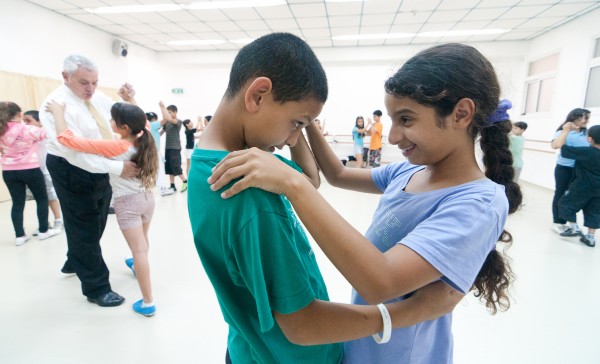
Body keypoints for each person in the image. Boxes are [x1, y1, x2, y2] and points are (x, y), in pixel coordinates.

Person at [208, 42, 522, 363]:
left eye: (407, 120)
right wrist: (301, 119)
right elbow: (338, 174)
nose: (394, 136)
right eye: (392, 120)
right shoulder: (408, 171)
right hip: (360, 346)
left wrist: (294, 185)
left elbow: (381, 282)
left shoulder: (478, 202)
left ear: (461, 114)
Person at [39, 54, 139, 307]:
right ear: (66, 76)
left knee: (98, 218)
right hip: (70, 168)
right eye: (84, 82)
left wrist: (127, 100)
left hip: (99, 165)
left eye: (95, 82)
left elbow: (116, 117)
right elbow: (74, 153)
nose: (91, 89)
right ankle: (96, 288)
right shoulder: (54, 105)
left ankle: (76, 258)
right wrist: (118, 168)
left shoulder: (96, 97)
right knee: (82, 224)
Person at [47, 100, 159, 315]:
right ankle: (137, 267)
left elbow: (66, 140)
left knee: (139, 251)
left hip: (129, 203)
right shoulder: (146, 137)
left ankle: (148, 302)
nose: (109, 122)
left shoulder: (117, 146)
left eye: (112, 120)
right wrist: (131, 98)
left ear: (124, 127)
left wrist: (58, 113)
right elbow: (143, 120)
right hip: (147, 199)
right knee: (142, 245)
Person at [0, 102, 61, 245]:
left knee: (17, 203)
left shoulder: (1, 130)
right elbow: (48, 134)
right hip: (30, 169)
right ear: (19, 114)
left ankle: (19, 236)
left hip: (9, 171)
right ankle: (43, 231)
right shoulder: (27, 129)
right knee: (41, 199)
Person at [554, 124, 600, 247]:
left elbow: (564, 150)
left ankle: (574, 228)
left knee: (565, 204)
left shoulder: (587, 152)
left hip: (582, 186)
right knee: (594, 212)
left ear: (590, 139)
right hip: (598, 190)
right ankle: (590, 238)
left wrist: (565, 131)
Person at [550, 108, 591, 234]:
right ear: (574, 117)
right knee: (560, 193)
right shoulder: (563, 131)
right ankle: (557, 222)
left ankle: (568, 220)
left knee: (572, 196)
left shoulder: (587, 133)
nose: (587, 120)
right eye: (585, 117)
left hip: (581, 169)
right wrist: (566, 131)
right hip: (564, 168)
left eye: (588, 117)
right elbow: (555, 146)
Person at [23, 109, 64, 230]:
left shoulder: (45, 133)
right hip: (34, 171)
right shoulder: (26, 134)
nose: (25, 124)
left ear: (40, 121)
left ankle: (58, 220)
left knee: (51, 197)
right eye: (24, 121)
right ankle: (44, 224)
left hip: (46, 171)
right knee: (40, 199)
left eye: (28, 121)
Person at [159, 102, 187, 193]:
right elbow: (160, 133)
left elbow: (168, 118)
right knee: (169, 167)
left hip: (175, 148)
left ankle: (185, 182)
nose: (168, 114)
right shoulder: (166, 123)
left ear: (175, 112)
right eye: (168, 112)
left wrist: (162, 107)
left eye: (170, 112)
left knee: (176, 166)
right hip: (167, 148)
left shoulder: (178, 122)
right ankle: (172, 186)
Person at [147, 111, 173, 196]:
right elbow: (166, 119)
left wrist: (163, 130)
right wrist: (162, 107)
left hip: (151, 152)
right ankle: (163, 189)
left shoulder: (148, 126)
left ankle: (148, 187)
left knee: (153, 170)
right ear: (153, 119)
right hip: (154, 152)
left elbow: (158, 134)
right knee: (160, 170)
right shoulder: (153, 125)